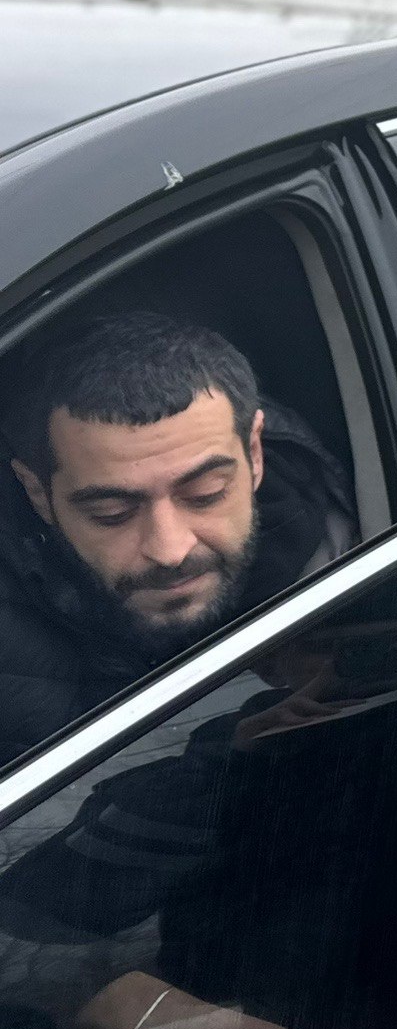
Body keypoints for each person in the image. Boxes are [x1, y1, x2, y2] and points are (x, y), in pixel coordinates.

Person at [0, 312, 354, 767]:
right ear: (38, 494)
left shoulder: (346, 553)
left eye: (205, 494)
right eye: (112, 514)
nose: (169, 550)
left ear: (254, 453)